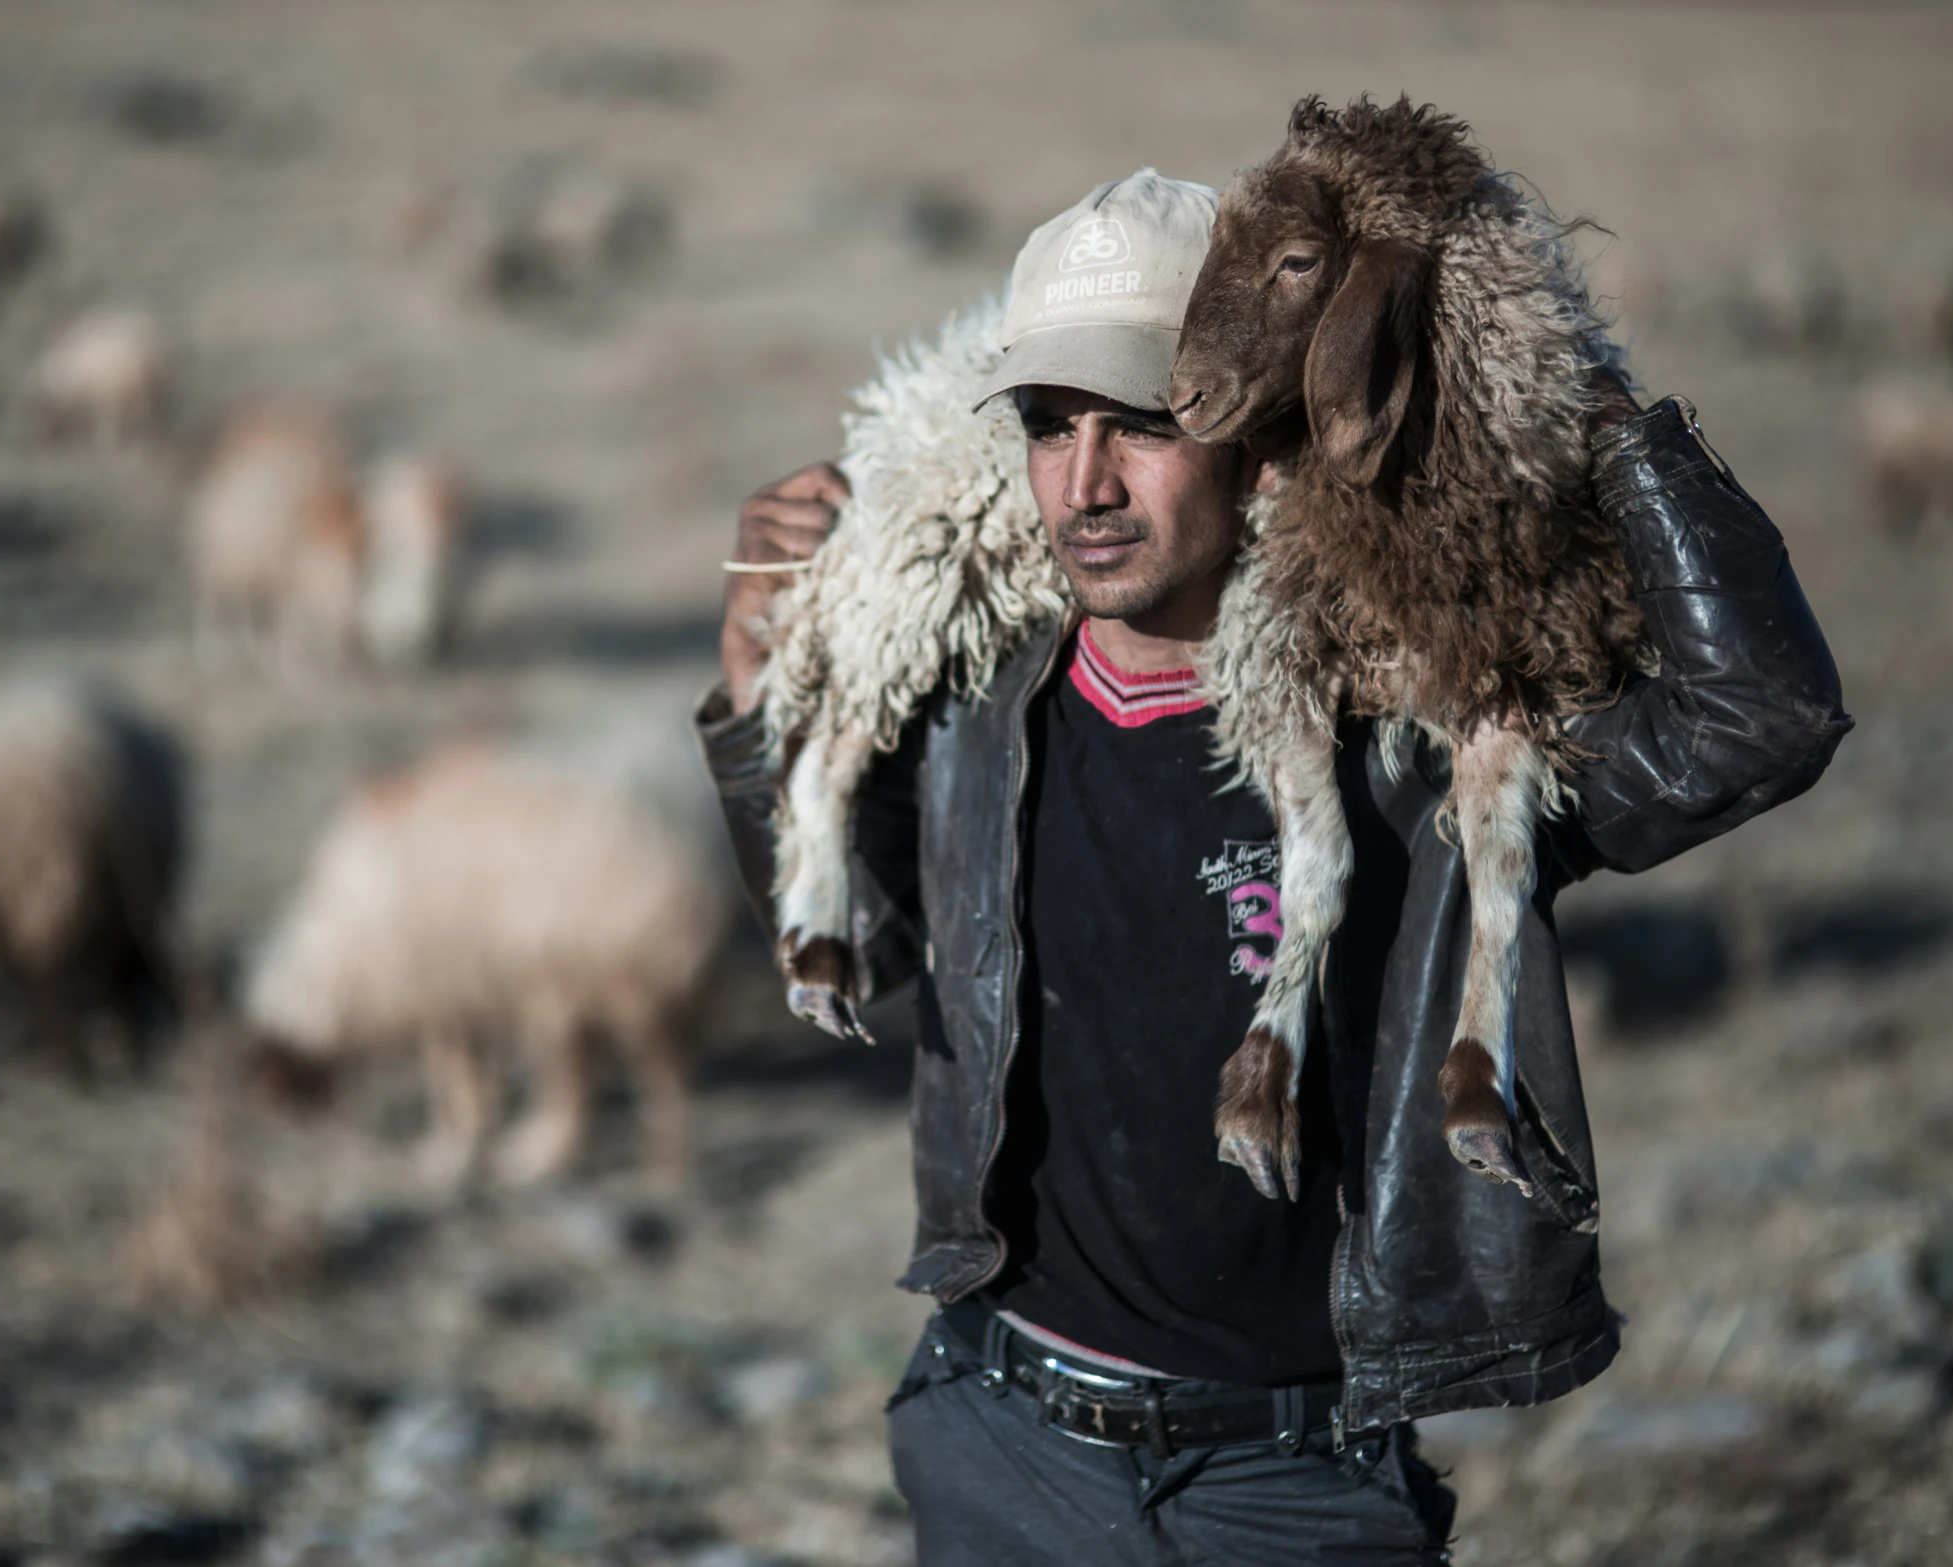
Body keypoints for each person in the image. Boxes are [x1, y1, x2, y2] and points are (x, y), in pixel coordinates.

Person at [697, 170, 1848, 1565]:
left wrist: (1575, 404)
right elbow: (874, 980)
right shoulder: (974, 714)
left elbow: (1755, 719)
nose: (1087, 483)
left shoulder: (1417, 737)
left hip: (1297, 1494)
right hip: (1003, 1451)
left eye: (1146, 424)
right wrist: (757, 679)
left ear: (1257, 432)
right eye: (1050, 426)